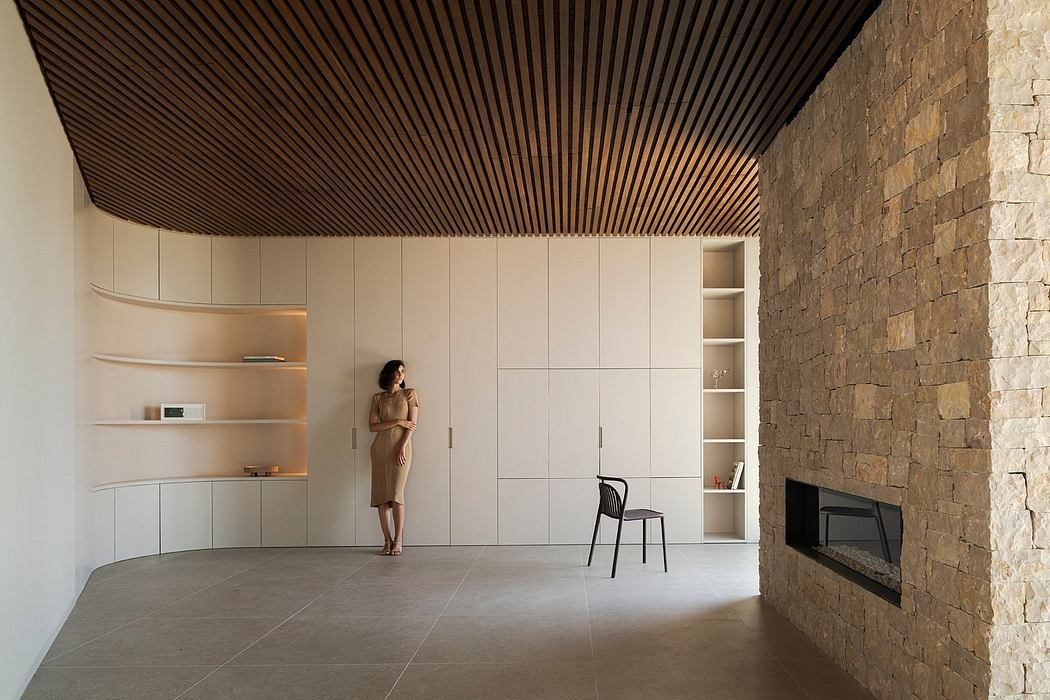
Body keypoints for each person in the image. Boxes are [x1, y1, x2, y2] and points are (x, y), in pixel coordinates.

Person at [368, 360, 418, 556]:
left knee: (397, 494)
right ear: (388, 374)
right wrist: (398, 421)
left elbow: (412, 425)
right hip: (379, 450)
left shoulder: (409, 394)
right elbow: (372, 426)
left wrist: (401, 447)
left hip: (401, 449)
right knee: (382, 497)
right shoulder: (377, 399)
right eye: (397, 371)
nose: (400, 374)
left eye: (403, 371)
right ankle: (386, 540)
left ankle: (398, 540)